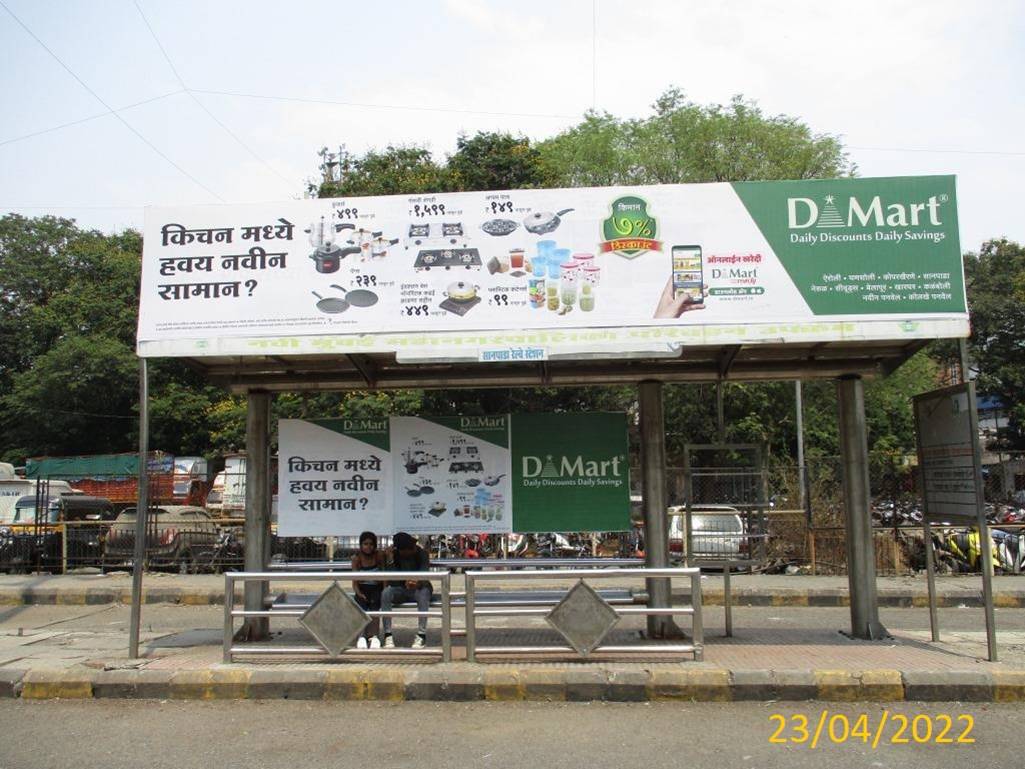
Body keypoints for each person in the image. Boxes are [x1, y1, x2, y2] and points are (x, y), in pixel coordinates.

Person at [380, 531, 432, 648]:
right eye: (409, 549)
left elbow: (425, 575)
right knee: (386, 593)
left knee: (424, 593)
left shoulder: (422, 553)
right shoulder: (394, 556)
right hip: (401, 590)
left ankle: (422, 635)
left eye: (413, 547)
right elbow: (392, 580)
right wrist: (390, 560)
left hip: (419, 589)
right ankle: (388, 634)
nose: (413, 549)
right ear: (400, 550)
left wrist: (417, 583)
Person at [351, 531, 386, 649]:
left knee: (375, 607)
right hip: (362, 588)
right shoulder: (356, 559)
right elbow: (354, 582)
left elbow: (385, 576)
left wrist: (384, 591)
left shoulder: (378, 556)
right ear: (361, 545)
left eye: (371, 544)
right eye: (365, 544)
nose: (368, 547)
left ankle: (374, 636)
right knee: (361, 607)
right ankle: (362, 636)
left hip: (377, 587)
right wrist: (359, 593)